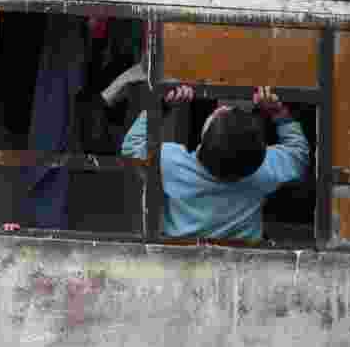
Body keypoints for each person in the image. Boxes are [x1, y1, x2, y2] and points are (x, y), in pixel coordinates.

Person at [121, 86, 310, 241]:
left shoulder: (172, 163)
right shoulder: (264, 170)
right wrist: (278, 113)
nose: (222, 107)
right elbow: (298, 154)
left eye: (218, 117)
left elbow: (132, 146)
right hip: (242, 260)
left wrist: (162, 107)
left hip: (180, 255)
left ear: (202, 139)